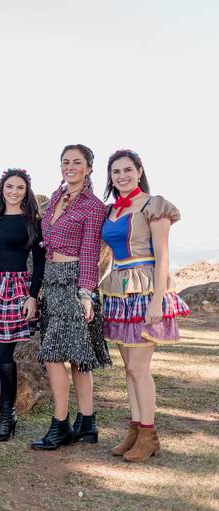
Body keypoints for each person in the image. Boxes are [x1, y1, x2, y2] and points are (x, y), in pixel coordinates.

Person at [99, 149, 189, 461]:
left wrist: (157, 301)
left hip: (145, 287)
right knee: (129, 369)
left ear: (139, 171)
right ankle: (136, 429)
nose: (122, 176)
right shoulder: (111, 210)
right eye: (116, 171)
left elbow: (163, 256)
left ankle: (149, 434)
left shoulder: (154, 205)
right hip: (119, 288)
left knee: (139, 367)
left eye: (128, 170)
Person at [31, 144, 111, 450]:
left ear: (89, 168)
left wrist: (86, 294)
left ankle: (61, 425)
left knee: (54, 355)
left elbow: (90, 253)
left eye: (77, 162)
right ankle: (87, 422)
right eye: (65, 162)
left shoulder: (93, 206)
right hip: (52, 282)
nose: (70, 167)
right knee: (77, 355)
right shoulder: (56, 197)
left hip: (75, 282)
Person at [0, 168, 45, 441]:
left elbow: (40, 263)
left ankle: (7, 417)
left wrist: (32, 296)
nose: (14, 192)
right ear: (2, 189)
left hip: (15, 290)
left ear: (26, 192)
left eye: (20, 188)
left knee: (4, 353)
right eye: (9, 186)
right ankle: (7, 415)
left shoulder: (32, 221)